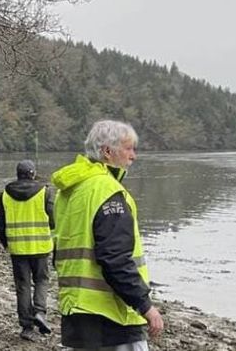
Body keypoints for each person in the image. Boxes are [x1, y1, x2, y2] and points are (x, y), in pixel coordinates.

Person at [50, 120, 165, 350]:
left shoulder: (70, 190)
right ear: (107, 152)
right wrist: (145, 306)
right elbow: (115, 259)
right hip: (112, 318)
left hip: (76, 312)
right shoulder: (108, 191)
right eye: (129, 148)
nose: (133, 155)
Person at [0, 159, 55, 341]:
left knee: (22, 286)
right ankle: (40, 312)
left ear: (18, 174)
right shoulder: (44, 192)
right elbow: (53, 220)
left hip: (18, 249)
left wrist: (6, 243)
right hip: (41, 247)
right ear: (33, 173)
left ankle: (27, 327)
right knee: (42, 281)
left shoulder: (6, 194)